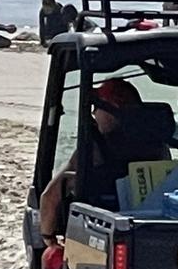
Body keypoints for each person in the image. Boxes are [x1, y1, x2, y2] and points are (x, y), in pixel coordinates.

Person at [40, 80, 168, 245]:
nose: (93, 114)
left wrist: (48, 238)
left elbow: (50, 196)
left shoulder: (94, 149)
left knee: (50, 259)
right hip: (149, 232)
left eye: (97, 108)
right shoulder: (158, 147)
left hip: (98, 231)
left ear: (112, 110)